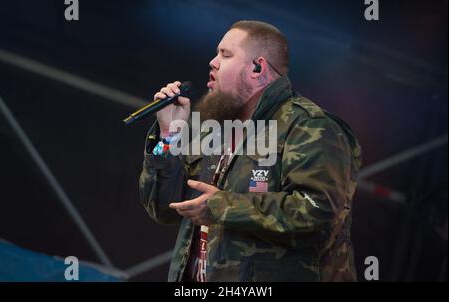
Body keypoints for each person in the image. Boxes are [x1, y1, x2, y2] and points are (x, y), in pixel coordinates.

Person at [139, 20, 362, 282]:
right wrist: (169, 136)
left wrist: (221, 206)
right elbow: (163, 208)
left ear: (257, 68)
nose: (213, 62)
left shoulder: (310, 126)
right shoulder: (216, 129)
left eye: (225, 54)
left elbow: (319, 214)